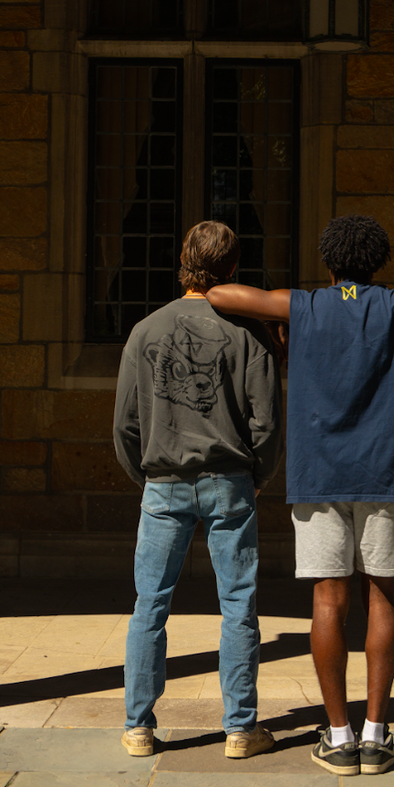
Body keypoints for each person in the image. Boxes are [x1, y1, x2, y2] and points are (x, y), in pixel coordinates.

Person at [207, 214, 394, 775]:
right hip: (386, 472)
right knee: (382, 598)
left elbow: (222, 294)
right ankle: (377, 735)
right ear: (379, 261)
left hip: (319, 473)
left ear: (329, 261)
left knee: (328, 601)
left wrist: (281, 319)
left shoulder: (305, 305)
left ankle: (339, 737)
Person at [113, 221, 284, 759]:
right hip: (229, 481)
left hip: (163, 483)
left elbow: (125, 424)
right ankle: (241, 728)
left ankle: (138, 727)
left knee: (150, 605)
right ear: (233, 268)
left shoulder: (145, 330)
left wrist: (147, 477)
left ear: (183, 261)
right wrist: (258, 477)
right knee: (238, 606)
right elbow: (266, 422)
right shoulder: (249, 334)